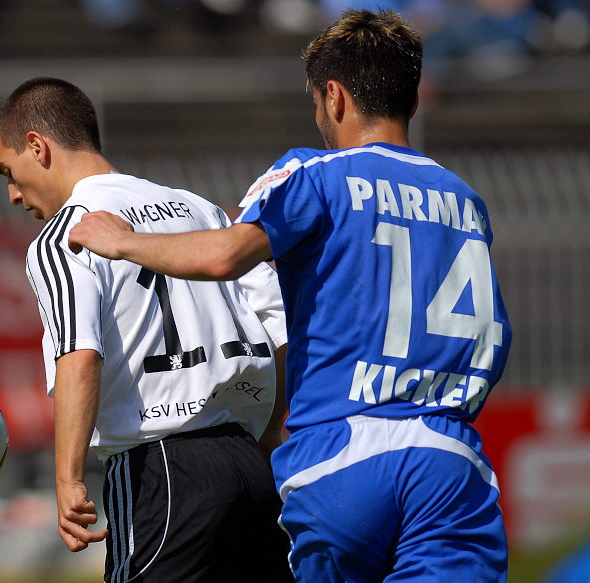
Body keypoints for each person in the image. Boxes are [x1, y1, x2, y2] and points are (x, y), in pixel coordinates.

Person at [69, 9, 513, 582]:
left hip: (341, 454)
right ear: (412, 97)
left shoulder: (314, 173)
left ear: (334, 96)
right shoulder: (465, 200)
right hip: (447, 458)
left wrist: (125, 241)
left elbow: (225, 256)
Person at [0, 77, 293, 583]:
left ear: (38, 147)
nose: (13, 194)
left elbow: (79, 354)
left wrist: (67, 480)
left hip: (163, 473)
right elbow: (283, 328)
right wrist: (267, 432)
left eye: (9, 172)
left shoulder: (65, 235)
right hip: (251, 468)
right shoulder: (199, 208)